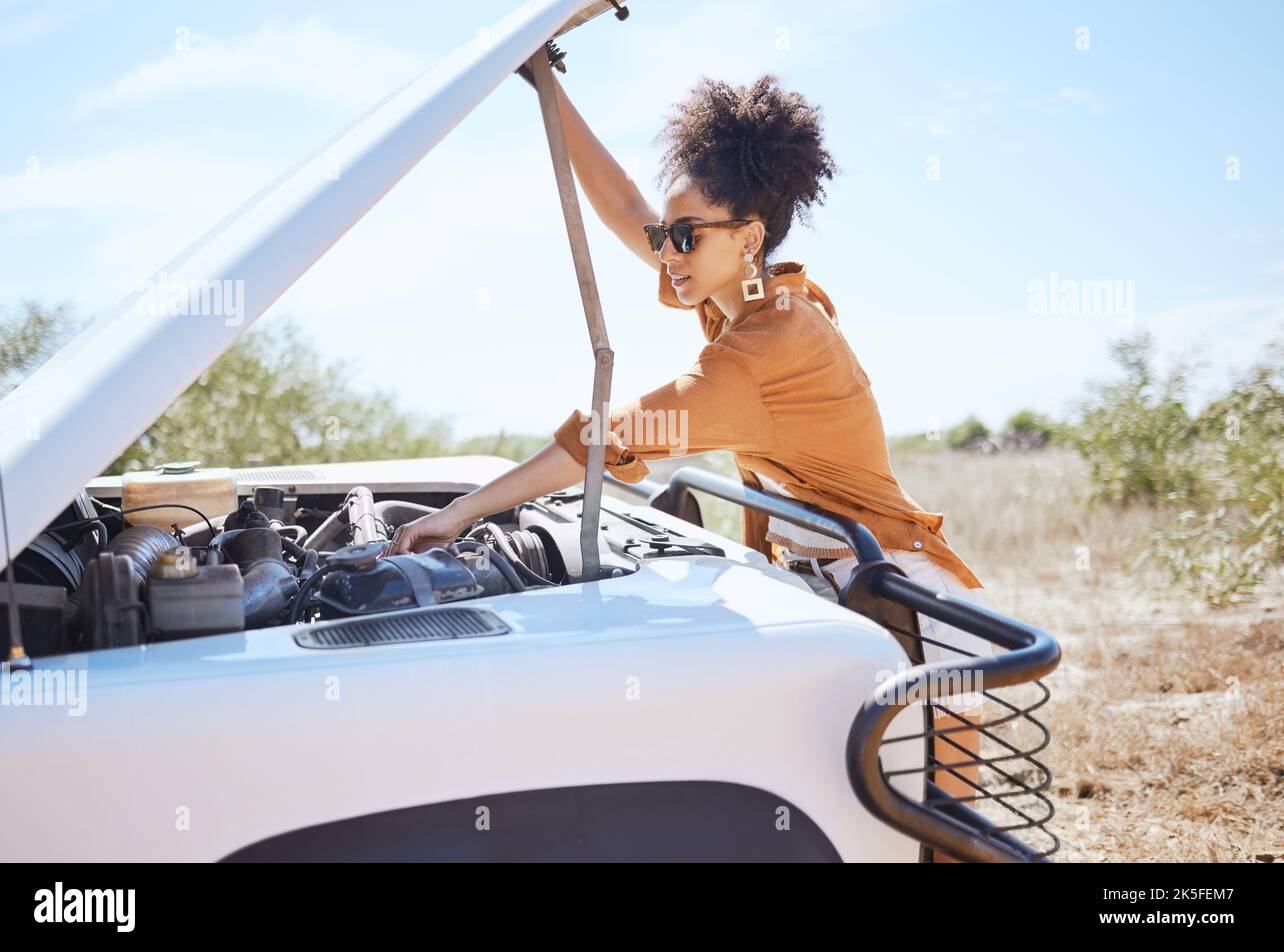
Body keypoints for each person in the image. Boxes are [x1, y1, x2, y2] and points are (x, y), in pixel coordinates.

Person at [383, 70, 990, 847]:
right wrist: (549, 85)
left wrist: (462, 512)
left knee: (943, 847)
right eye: (667, 238)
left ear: (749, 237)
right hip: (837, 588)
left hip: (909, 607)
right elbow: (627, 207)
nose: (668, 253)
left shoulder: (766, 349)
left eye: (687, 237)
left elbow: (605, 437)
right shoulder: (738, 295)